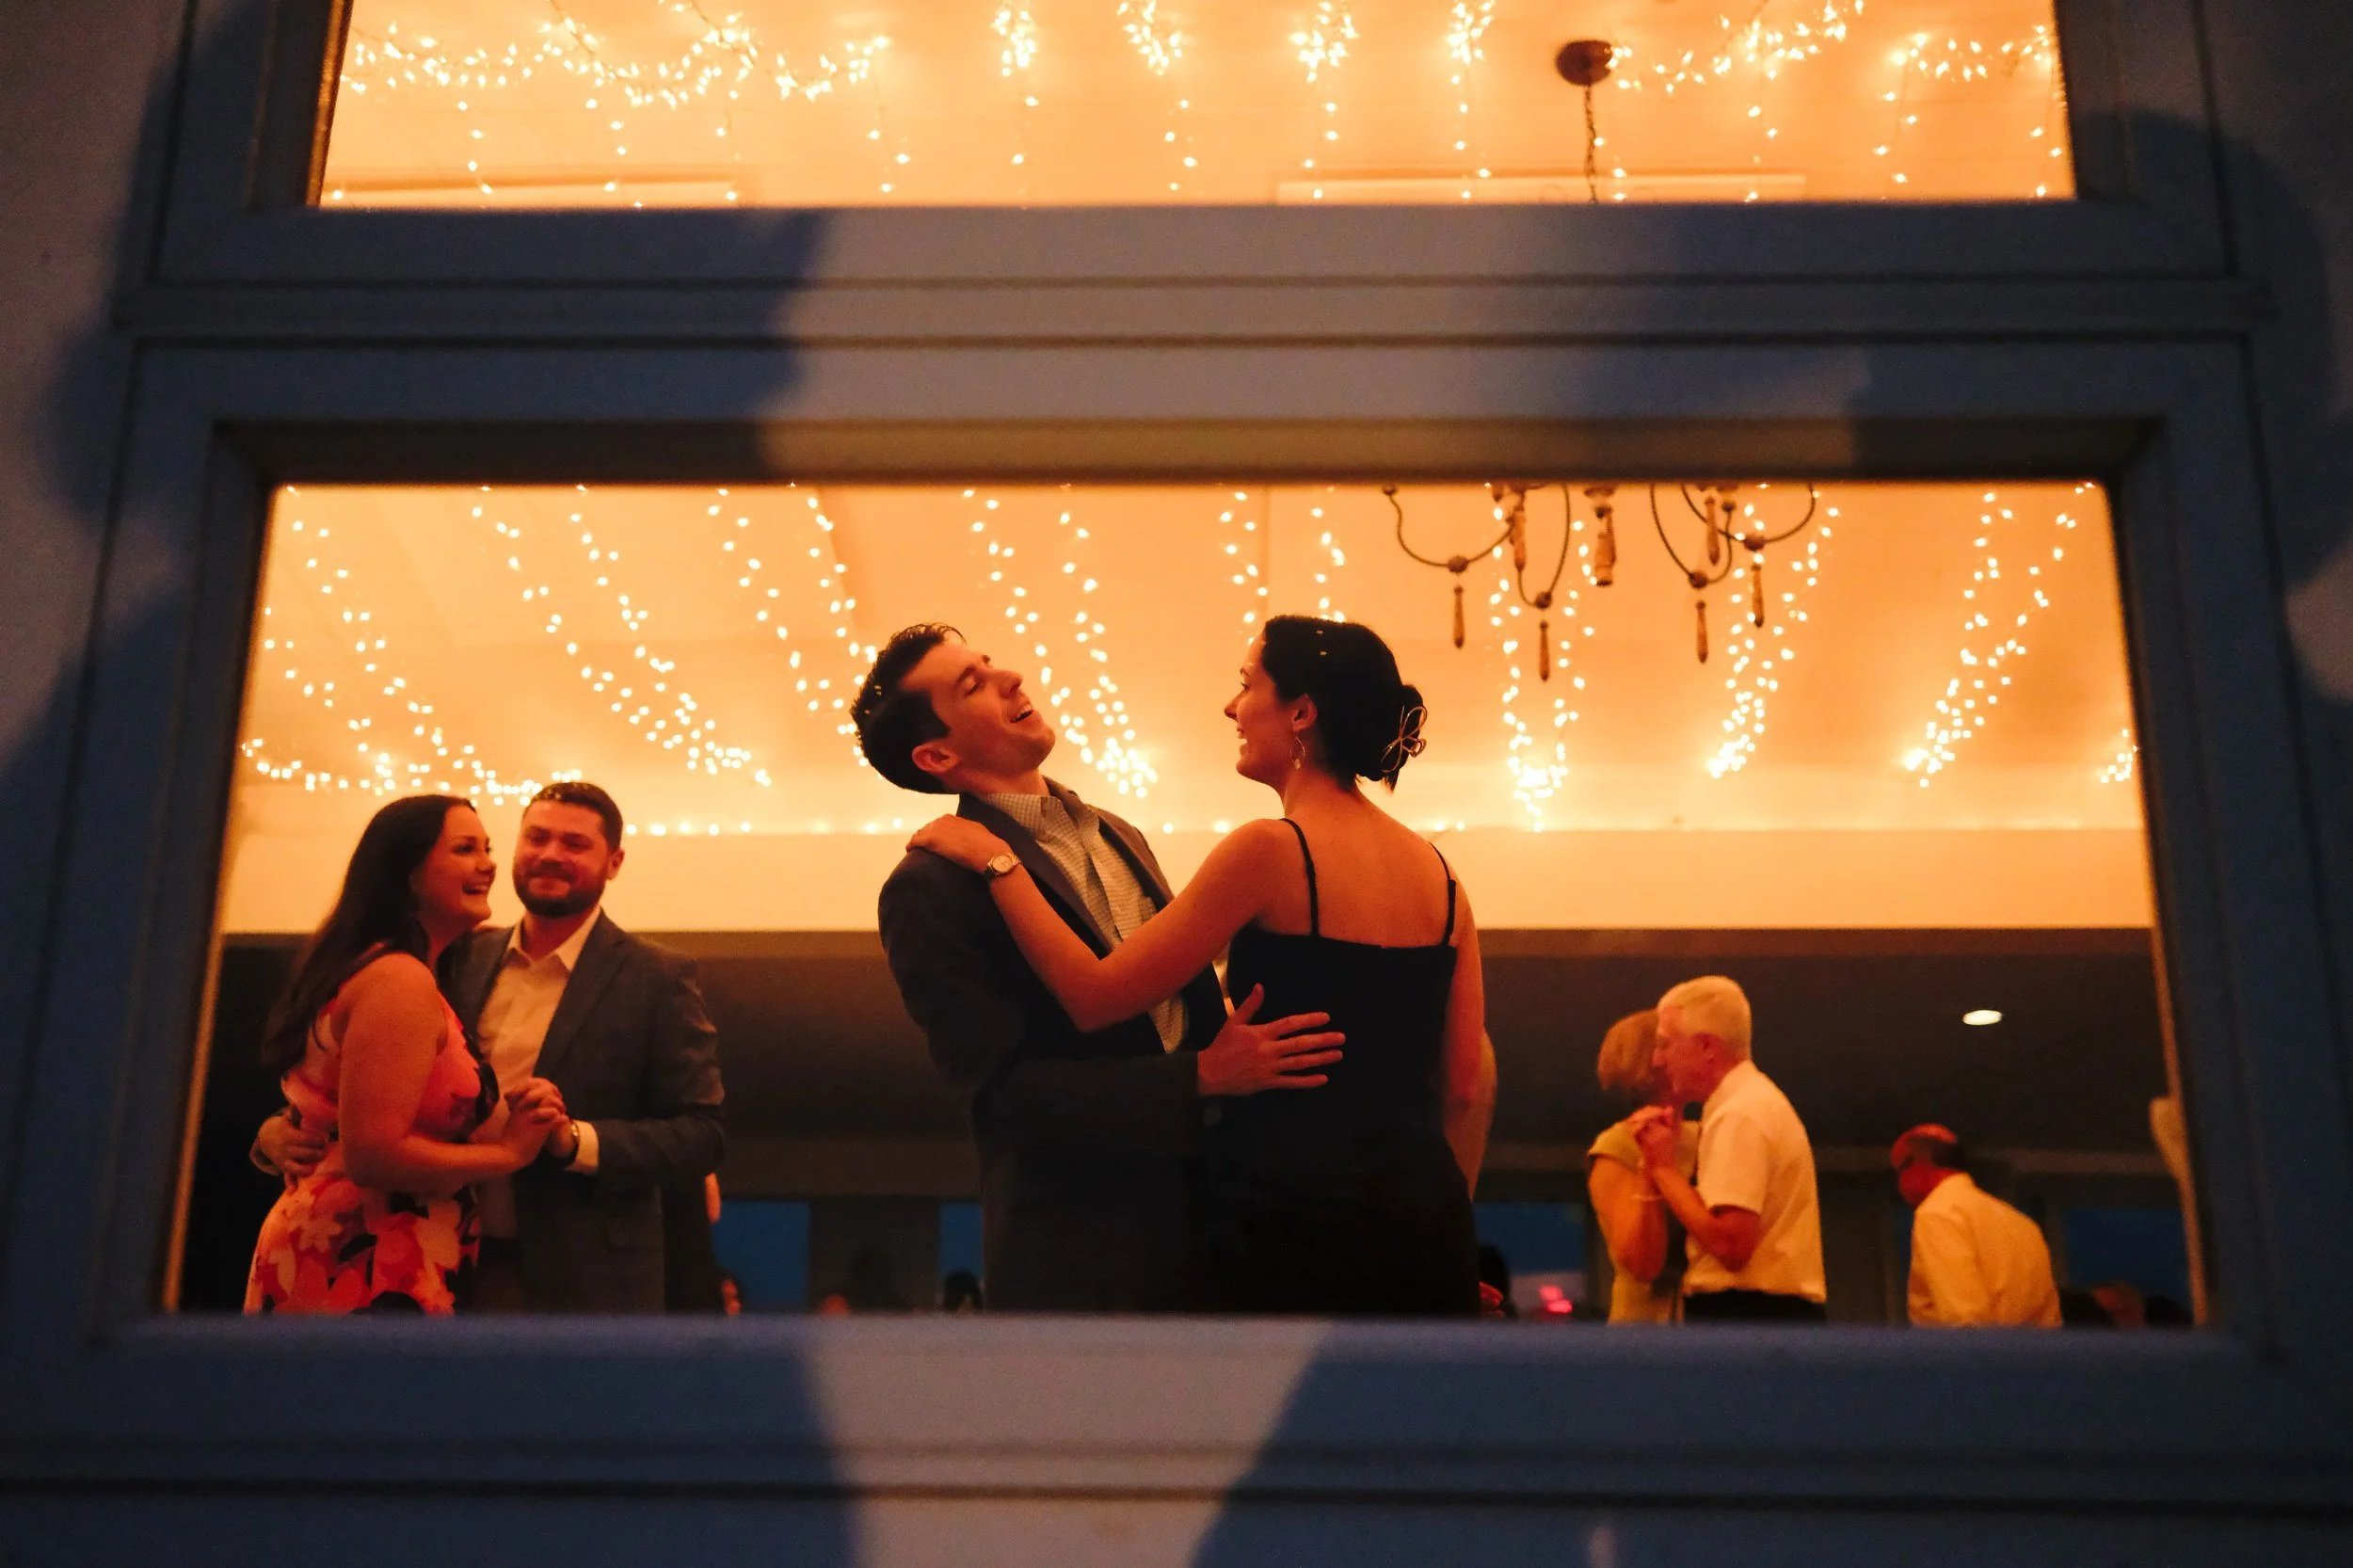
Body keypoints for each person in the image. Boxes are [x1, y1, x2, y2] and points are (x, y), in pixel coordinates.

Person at [909, 615, 1495, 1317]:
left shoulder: (1269, 852)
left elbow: (1096, 995)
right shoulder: (1444, 879)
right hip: (1426, 1225)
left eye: (1248, 685)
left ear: (1301, 713)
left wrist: (994, 861)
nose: (1231, 706)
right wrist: (1445, 1227)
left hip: (1292, 1220)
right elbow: (1466, 1081)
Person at [856, 623, 1345, 1313]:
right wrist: (1200, 1076)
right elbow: (1007, 1101)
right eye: (973, 684)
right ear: (936, 755)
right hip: (1076, 1258)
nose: (1011, 678)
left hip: (1208, 1236)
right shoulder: (929, 888)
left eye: (989, 664)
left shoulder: (1121, 833)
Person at [257, 781, 725, 1312]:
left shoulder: (656, 978)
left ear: (614, 862)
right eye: (536, 838)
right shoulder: (456, 955)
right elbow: (380, 1077)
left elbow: (700, 1133)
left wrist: (574, 1140)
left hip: (580, 1272)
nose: (550, 855)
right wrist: (280, 1129)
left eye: (574, 844)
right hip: (434, 1253)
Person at [245, 795, 566, 1313]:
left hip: (380, 1249)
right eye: (465, 849)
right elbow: (376, 1153)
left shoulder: (402, 968)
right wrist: (510, 1152)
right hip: (363, 1256)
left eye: (487, 848)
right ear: (408, 873)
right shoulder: (398, 978)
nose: (488, 863)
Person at [1634, 975, 1826, 1323]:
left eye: (1665, 1044)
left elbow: (1730, 1246)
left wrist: (1662, 1168)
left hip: (1749, 1315)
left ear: (1707, 1046)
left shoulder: (1740, 1113)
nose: (1658, 1060)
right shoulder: (1749, 1103)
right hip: (1765, 1315)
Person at [1891, 1124, 2061, 1329]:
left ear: (1920, 1164)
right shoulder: (2022, 1223)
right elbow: (2051, 1325)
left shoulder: (1937, 1213)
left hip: (1972, 1358)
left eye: (1900, 1171)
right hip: (2033, 1359)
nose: (1901, 1187)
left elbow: (1965, 1321)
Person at [1587, 1009, 1698, 1324]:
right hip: (1646, 1328)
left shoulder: (1706, 1133)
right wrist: (1651, 1167)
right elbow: (1640, 1262)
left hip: (1708, 1324)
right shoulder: (1616, 1145)